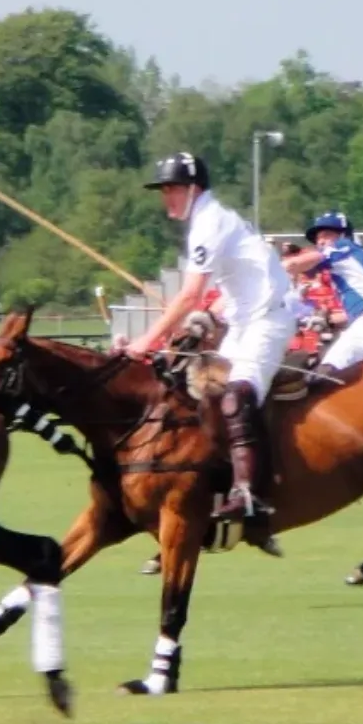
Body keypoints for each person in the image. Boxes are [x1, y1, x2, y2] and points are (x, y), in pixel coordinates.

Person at [131, 150, 293, 545]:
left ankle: (250, 495)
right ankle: (211, 488)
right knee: (199, 394)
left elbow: (189, 294)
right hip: (242, 321)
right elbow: (225, 290)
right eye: (164, 190)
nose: (167, 197)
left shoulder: (210, 222)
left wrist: (147, 340)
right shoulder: (206, 221)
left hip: (267, 320)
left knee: (236, 396)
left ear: (193, 189)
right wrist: (204, 319)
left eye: (172, 189)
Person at [283, 213, 363, 378]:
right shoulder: (357, 261)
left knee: (323, 376)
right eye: (318, 238)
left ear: (343, 235)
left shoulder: (343, 246)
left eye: (327, 235)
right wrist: (328, 320)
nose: (320, 241)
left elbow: (293, 264)